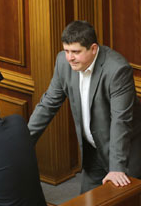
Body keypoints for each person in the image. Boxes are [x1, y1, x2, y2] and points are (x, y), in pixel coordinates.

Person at [28, 20, 141, 193]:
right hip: (93, 152)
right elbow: (48, 104)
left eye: (76, 52)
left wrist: (117, 168)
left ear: (93, 49)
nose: (69, 58)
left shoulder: (117, 70)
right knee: (87, 200)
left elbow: (121, 120)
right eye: (66, 50)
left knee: (123, 200)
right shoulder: (63, 63)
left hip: (125, 153)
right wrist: (23, 141)